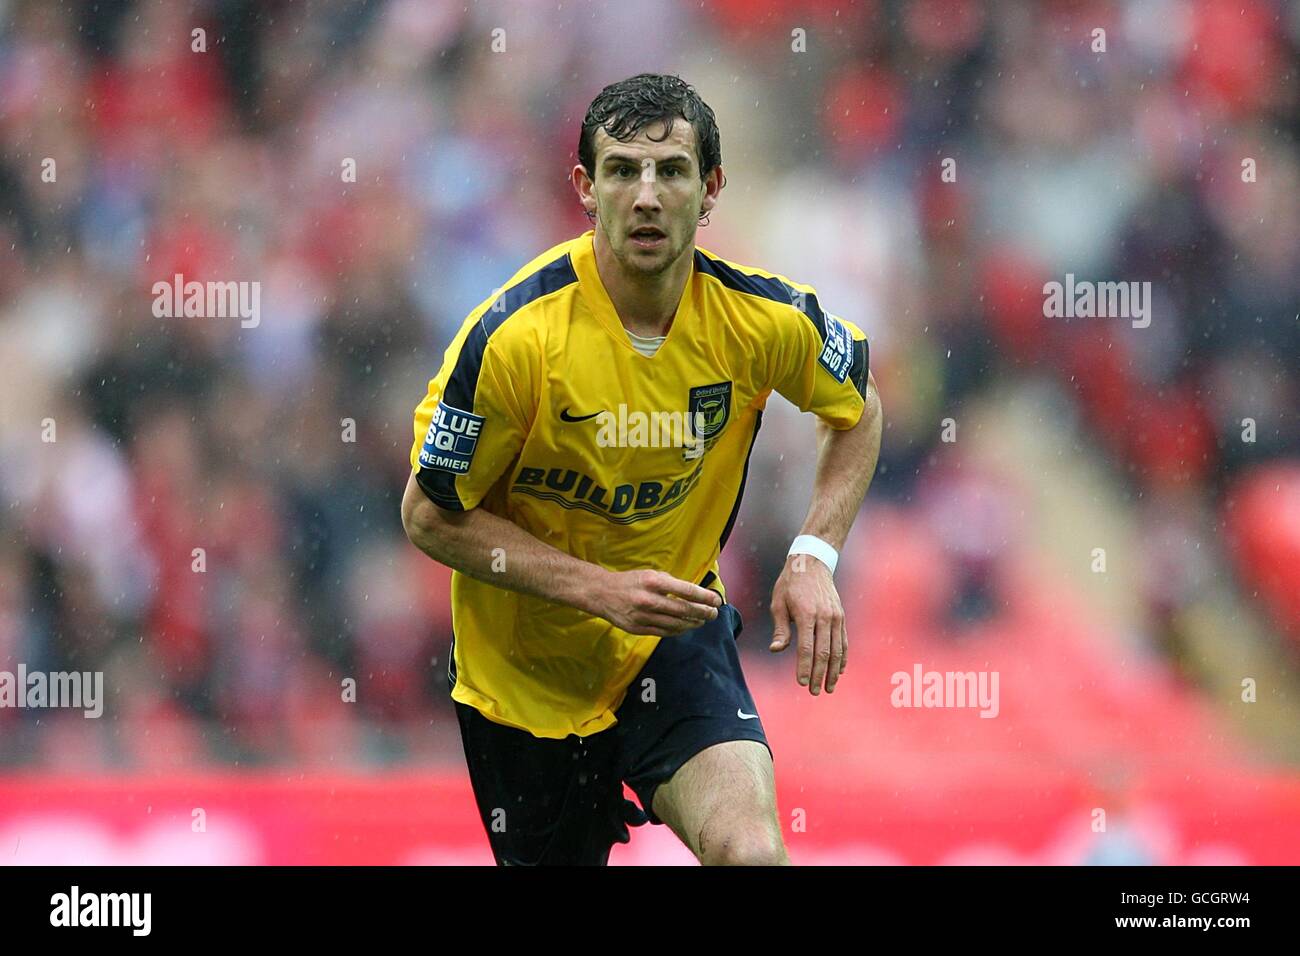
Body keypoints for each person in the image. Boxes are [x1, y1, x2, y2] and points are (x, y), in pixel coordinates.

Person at [401, 73, 882, 866]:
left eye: (673, 170)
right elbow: (427, 514)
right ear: (587, 189)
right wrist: (600, 590)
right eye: (623, 170)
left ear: (712, 186)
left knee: (752, 852)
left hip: (671, 639)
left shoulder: (761, 320)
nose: (648, 196)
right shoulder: (515, 339)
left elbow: (858, 408)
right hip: (521, 680)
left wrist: (814, 554)